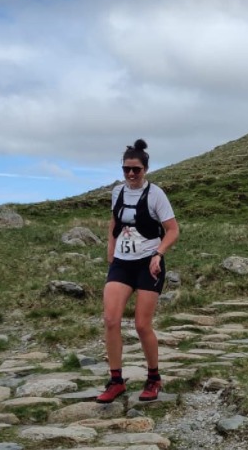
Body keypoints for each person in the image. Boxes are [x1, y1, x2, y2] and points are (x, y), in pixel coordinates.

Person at [96, 139, 180, 403]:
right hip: (122, 263)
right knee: (111, 320)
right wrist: (111, 252)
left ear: (145, 169)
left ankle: (154, 378)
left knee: (142, 325)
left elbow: (173, 230)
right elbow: (114, 224)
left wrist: (159, 254)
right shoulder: (117, 192)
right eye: (126, 169)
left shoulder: (156, 194)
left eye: (136, 170)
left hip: (148, 263)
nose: (131, 174)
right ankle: (116, 380)